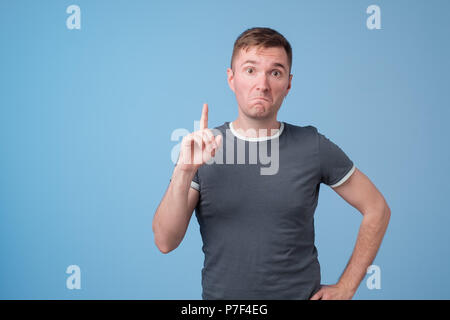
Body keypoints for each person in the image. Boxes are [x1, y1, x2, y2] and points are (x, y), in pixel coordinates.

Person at [152, 27, 391, 300]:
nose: (262, 85)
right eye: (250, 70)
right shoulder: (204, 148)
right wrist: (184, 170)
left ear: (288, 83)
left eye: (275, 72)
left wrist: (347, 286)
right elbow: (165, 241)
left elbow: (377, 209)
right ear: (231, 78)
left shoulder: (312, 145)